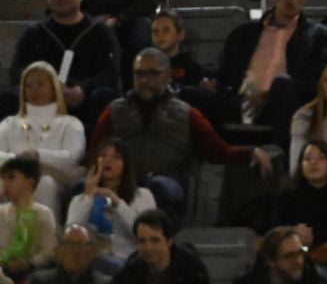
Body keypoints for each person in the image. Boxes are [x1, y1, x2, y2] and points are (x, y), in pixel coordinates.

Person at [91, 50, 273, 217]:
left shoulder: (186, 114)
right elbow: (94, 152)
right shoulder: (114, 111)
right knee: (80, 189)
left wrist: (249, 152)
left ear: (169, 76)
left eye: (153, 73)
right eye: (139, 74)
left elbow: (217, 150)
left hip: (167, 183)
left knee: (159, 187)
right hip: (120, 184)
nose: (145, 80)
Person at [214, 0, 327, 133]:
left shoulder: (317, 36)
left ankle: (276, 154)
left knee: (282, 85)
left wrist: (270, 93)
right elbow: (224, 71)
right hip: (241, 101)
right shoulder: (243, 34)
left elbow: (318, 82)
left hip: (283, 103)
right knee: (190, 95)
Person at [8, 0, 119, 128]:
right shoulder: (34, 33)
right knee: (9, 97)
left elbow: (110, 73)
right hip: (40, 102)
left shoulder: (100, 33)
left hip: (84, 100)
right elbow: (17, 71)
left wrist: (83, 89)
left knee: (104, 97)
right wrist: (42, 87)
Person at [0, 65, 85, 214]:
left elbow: (72, 157)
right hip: (11, 178)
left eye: (40, 84)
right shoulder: (9, 123)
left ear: (54, 89)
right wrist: (20, 161)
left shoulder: (70, 123)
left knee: (44, 183)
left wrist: (38, 155)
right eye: (29, 86)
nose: (34, 90)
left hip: (53, 182)